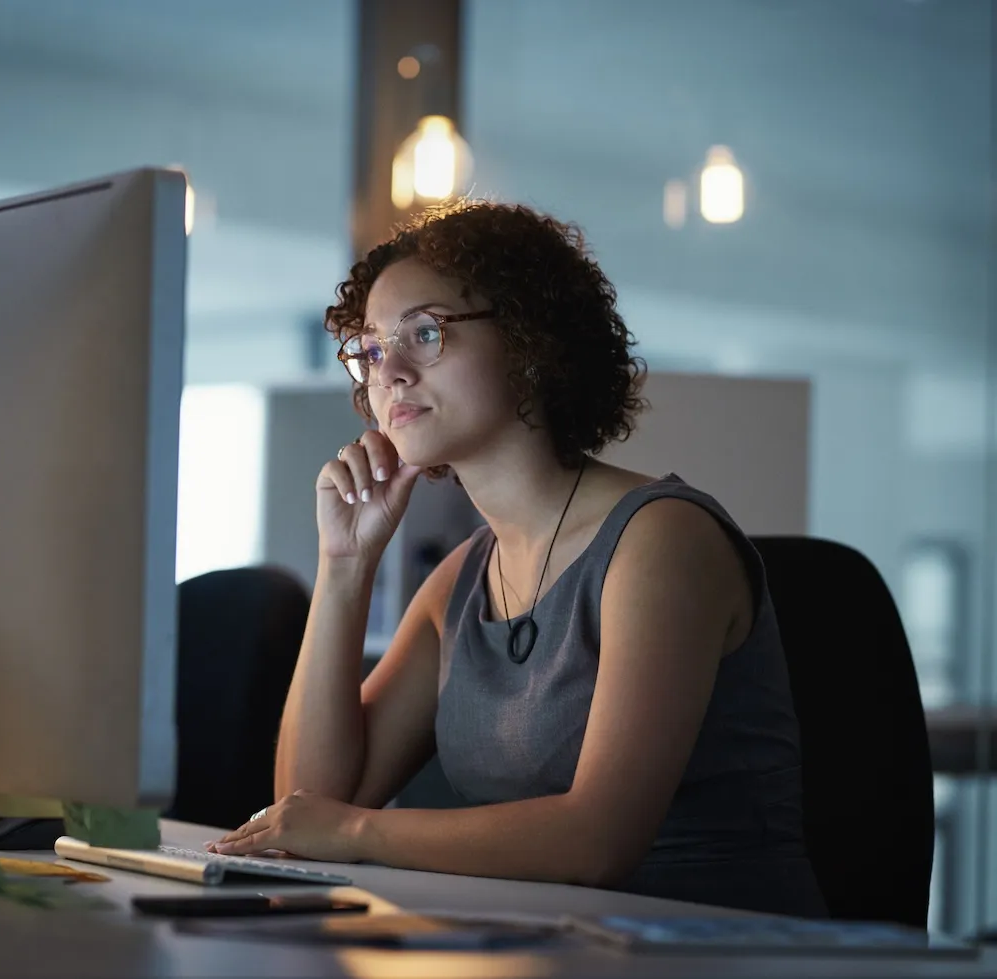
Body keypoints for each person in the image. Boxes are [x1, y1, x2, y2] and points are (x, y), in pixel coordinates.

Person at [206, 201, 827, 918]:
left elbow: (597, 840)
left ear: (531, 343)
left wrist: (356, 832)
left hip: (718, 957)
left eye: (426, 332)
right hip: (548, 952)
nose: (391, 373)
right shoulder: (461, 582)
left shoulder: (662, 541)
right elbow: (307, 807)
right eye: (373, 349)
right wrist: (345, 565)